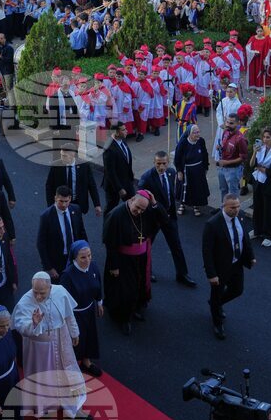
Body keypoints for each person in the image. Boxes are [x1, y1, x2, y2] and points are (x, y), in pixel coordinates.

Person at [12, 273, 89, 420]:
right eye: (35, 292)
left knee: (66, 373)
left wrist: (74, 332)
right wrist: (34, 324)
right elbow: (21, 327)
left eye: (42, 293)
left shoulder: (60, 291)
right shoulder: (25, 302)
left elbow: (68, 314)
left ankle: (73, 407)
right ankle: (45, 406)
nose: (38, 296)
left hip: (61, 340)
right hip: (39, 349)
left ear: (50, 287)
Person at [102, 192, 164, 335]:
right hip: (123, 260)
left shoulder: (144, 211)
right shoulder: (116, 215)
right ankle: (124, 319)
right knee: (126, 290)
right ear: (131, 200)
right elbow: (110, 243)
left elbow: (163, 219)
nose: (139, 212)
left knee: (139, 285)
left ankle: (134, 309)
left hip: (141, 258)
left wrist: (154, 203)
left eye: (143, 209)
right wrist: (114, 266)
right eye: (137, 207)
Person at [203, 193, 256, 340]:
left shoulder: (240, 216)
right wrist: (211, 274)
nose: (236, 209)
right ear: (223, 206)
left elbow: (245, 238)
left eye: (238, 206)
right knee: (217, 293)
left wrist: (251, 256)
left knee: (237, 290)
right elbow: (207, 251)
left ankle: (215, 304)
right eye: (232, 207)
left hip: (236, 263)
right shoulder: (213, 224)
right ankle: (217, 323)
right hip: (220, 267)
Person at [137, 151, 195, 287]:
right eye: (158, 164)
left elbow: (170, 194)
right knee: (147, 246)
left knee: (176, 246)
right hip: (153, 219)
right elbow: (141, 199)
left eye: (164, 163)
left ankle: (182, 274)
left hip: (169, 217)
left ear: (168, 163)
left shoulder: (171, 172)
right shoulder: (146, 178)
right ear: (154, 163)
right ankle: (147, 271)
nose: (161, 167)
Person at [59, 241, 104, 377]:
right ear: (75, 258)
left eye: (89, 255)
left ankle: (86, 361)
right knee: (75, 340)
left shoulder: (93, 267)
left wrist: (99, 302)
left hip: (89, 310)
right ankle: (71, 366)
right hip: (75, 315)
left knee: (89, 336)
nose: (87, 260)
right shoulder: (67, 275)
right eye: (83, 257)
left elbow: (98, 285)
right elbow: (63, 300)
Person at [37, 185, 88, 281]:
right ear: (55, 198)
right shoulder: (46, 216)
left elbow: (81, 232)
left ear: (70, 199)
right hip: (57, 261)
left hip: (75, 256)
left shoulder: (76, 209)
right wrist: (49, 267)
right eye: (61, 201)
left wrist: (86, 252)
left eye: (66, 201)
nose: (64, 205)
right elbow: (41, 244)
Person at [44, 147, 102, 219]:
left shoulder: (84, 165)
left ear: (72, 155)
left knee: (77, 224)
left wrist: (97, 204)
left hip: (78, 204)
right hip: (62, 203)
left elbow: (92, 185)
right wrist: (51, 206)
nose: (62, 158)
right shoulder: (56, 165)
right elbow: (49, 186)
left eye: (64, 156)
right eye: (61, 155)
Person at [249, 127, 271, 247]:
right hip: (258, 181)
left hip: (270, 184)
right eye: (264, 137)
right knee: (257, 207)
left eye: (268, 137)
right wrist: (254, 152)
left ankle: (270, 236)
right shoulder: (260, 148)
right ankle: (257, 230)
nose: (265, 139)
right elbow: (251, 164)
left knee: (269, 210)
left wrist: (259, 167)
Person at [174, 124, 210, 216]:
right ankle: (182, 205)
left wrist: (206, 167)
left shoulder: (201, 141)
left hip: (198, 170)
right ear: (189, 133)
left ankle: (196, 206)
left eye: (198, 132)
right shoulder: (183, 143)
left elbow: (205, 154)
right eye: (195, 133)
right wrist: (179, 171)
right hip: (186, 170)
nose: (197, 134)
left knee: (197, 188)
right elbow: (177, 158)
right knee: (184, 188)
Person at [101, 122, 135, 214]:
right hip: (114, 185)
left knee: (133, 203)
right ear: (116, 132)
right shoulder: (109, 148)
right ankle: (108, 222)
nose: (126, 131)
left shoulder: (122, 141)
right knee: (111, 208)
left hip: (126, 181)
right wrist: (119, 188)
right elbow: (110, 171)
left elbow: (125, 160)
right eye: (123, 130)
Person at [216, 113, 247, 199]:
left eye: (231, 123)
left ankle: (233, 208)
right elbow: (225, 146)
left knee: (233, 194)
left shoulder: (240, 139)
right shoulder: (225, 132)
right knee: (223, 190)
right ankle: (224, 207)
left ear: (238, 123)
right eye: (227, 122)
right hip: (222, 168)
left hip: (233, 171)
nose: (228, 125)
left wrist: (227, 162)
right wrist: (220, 147)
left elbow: (243, 157)